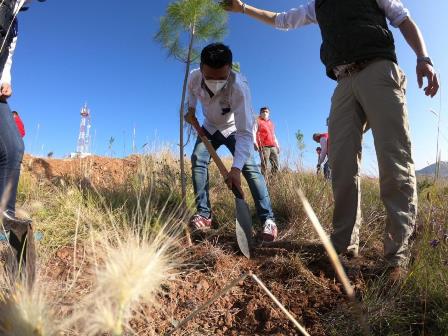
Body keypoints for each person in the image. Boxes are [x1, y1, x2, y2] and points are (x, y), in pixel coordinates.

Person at [225, 0, 439, 278]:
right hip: (343, 82)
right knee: (340, 164)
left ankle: (396, 257)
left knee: (394, 158)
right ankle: (344, 243)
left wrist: (423, 58)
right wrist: (242, 8)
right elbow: (281, 20)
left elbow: (404, 20)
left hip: (379, 69)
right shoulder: (319, 5)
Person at [185, 43, 278, 242]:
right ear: (201, 68)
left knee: (250, 169)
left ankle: (268, 220)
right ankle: (204, 214)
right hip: (209, 127)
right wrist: (191, 109)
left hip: (234, 129)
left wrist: (235, 169)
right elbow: (191, 92)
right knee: (197, 159)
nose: (216, 83)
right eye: (210, 77)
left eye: (222, 78)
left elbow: (245, 134)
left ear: (229, 70)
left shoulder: (239, 87)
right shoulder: (194, 77)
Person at [0, 0, 46, 269]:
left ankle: (6, 222)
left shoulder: (15, 17)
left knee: (14, 148)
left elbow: (9, 55)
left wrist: (6, 81)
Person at [254, 107, 280, 175]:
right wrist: (254, 142)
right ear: (260, 113)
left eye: (266, 112)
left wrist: (277, 145)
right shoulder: (257, 121)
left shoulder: (271, 123)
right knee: (265, 165)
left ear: (269, 113)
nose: (265, 113)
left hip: (273, 146)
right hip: (264, 146)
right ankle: (264, 183)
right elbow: (253, 131)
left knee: (276, 165)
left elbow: (273, 135)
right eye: (263, 111)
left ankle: (273, 182)